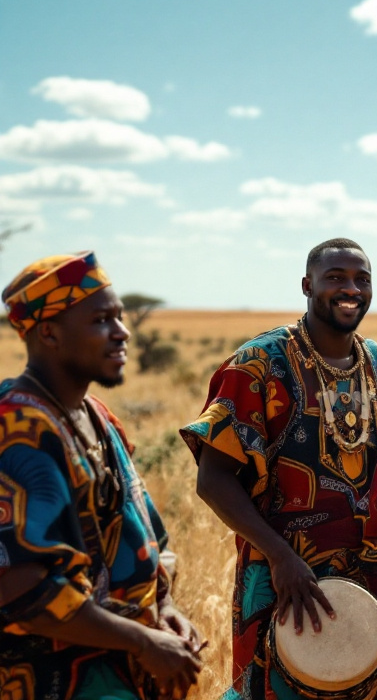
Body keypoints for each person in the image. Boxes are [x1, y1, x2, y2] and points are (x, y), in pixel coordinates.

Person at [182, 239, 377, 700]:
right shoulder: (258, 366)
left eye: (362, 279)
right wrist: (279, 557)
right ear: (307, 284)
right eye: (336, 277)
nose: (350, 288)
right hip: (290, 574)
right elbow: (212, 480)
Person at [0, 251, 204, 700]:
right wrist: (142, 639)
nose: (122, 333)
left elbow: (150, 534)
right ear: (49, 333)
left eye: (120, 317)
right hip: (51, 680)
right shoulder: (18, 430)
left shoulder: (97, 416)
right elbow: (24, 592)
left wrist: (163, 609)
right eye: (101, 321)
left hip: (122, 670)